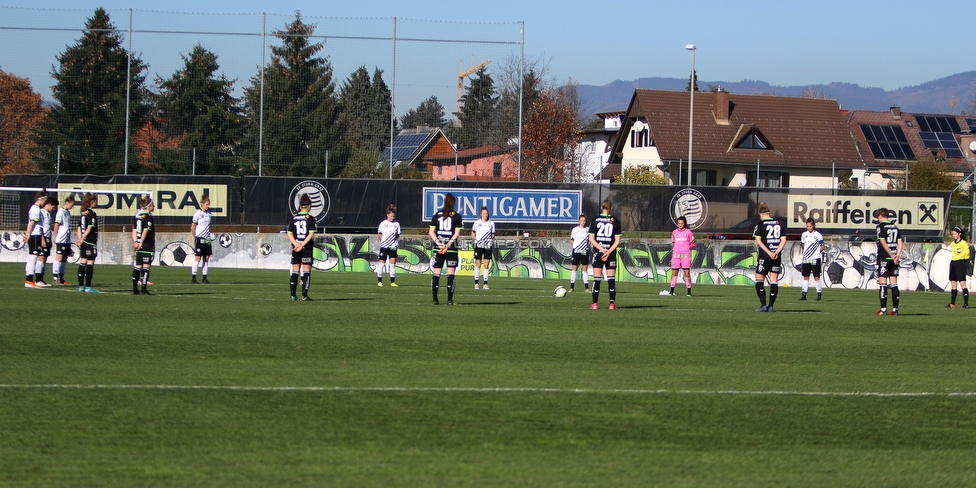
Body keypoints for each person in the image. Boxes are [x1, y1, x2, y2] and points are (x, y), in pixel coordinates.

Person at [429, 193, 462, 305]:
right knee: (450, 273)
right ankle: (449, 300)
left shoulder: (436, 215)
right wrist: (447, 245)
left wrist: (439, 244)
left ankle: (435, 299)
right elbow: (456, 234)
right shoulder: (457, 216)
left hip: (438, 249)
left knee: (436, 272)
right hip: (451, 248)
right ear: (453, 203)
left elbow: (431, 232)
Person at [589, 198, 621, 310]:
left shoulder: (595, 220)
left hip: (598, 252)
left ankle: (594, 304)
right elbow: (617, 241)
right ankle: (612, 304)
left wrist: (602, 250)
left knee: (597, 278)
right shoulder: (615, 221)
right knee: (611, 279)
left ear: (601, 207)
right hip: (610, 253)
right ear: (611, 208)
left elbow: (591, 239)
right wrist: (608, 251)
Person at [753, 202, 786, 312]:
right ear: (769, 213)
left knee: (759, 280)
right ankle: (771, 306)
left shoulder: (760, 224)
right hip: (776, 256)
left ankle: (763, 305)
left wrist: (768, 252)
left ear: (761, 215)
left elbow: (758, 241)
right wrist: (775, 252)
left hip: (764, 256)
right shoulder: (779, 224)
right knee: (774, 280)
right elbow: (783, 240)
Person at [875, 208, 904, 316]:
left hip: (884, 257)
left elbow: (882, 242)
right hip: (894, 260)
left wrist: (891, 255)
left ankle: (883, 309)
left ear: (880, 216)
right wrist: (897, 255)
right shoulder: (895, 227)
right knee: (894, 283)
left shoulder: (880, 227)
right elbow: (900, 243)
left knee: (883, 283)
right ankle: (895, 309)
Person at [288, 194, 316, 301]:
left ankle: (293, 295)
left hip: (295, 248)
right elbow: (310, 234)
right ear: (309, 206)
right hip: (306, 248)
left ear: (300, 206)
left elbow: (289, 233)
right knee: (306, 271)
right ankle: (304, 295)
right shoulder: (311, 219)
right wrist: (302, 245)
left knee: (295, 271)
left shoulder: (293, 218)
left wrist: (296, 244)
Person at [76, 192, 99, 293]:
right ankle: (88, 287)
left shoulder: (83, 213)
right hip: (89, 241)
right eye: (95, 202)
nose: (96, 204)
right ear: (92, 202)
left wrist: (80, 239)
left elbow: (78, 228)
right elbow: (89, 227)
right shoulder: (92, 213)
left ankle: (81, 286)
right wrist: (84, 238)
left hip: (83, 242)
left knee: (82, 262)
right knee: (90, 263)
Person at [132, 195, 156, 295]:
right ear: (149, 206)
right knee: (146, 267)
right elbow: (146, 230)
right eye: (153, 205)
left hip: (137, 245)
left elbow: (133, 230)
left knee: (137, 266)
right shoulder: (148, 217)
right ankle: (143, 288)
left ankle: (134, 289)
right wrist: (141, 242)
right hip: (146, 244)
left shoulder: (137, 216)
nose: (154, 207)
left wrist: (135, 242)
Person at [24, 191, 47, 288]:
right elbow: (32, 223)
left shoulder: (35, 208)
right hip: (35, 235)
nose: (45, 202)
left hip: (34, 235)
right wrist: (28, 234)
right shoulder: (36, 209)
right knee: (33, 257)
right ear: (40, 199)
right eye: (45, 200)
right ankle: (29, 281)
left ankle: (29, 280)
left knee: (32, 257)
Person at [798, 217, 825, 301]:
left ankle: (819, 295)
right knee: (806, 276)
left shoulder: (818, 235)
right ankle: (804, 295)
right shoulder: (804, 235)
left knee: (816, 276)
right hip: (806, 258)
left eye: (810, 226)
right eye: (807, 226)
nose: (809, 228)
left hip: (815, 258)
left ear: (813, 226)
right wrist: (807, 252)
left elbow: (822, 246)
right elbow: (802, 244)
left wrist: (815, 253)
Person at [668, 216, 695, 296]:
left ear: (684, 223)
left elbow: (693, 243)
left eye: (682, 223)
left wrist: (687, 248)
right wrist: (676, 248)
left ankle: (689, 291)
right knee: (674, 273)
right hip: (676, 255)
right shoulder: (674, 232)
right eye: (679, 223)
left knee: (687, 273)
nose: (680, 225)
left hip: (685, 255)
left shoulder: (689, 232)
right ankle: (671, 291)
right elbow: (673, 242)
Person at [52, 195, 75, 285]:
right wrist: (55, 236)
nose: (72, 207)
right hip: (61, 238)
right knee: (59, 257)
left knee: (64, 258)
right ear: (67, 202)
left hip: (67, 239)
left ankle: (61, 278)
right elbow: (56, 224)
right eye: (72, 205)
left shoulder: (67, 212)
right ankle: (55, 278)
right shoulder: (60, 212)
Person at [376, 204, 401, 287]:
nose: (392, 218)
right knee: (381, 263)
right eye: (391, 216)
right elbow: (379, 234)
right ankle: (379, 281)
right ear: (387, 215)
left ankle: (392, 281)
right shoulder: (383, 224)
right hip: (384, 246)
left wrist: (392, 242)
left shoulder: (396, 224)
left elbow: (397, 235)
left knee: (392, 264)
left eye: (393, 216)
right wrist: (384, 241)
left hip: (393, 246)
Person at [190, 194, 213, 284]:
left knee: (206, 258)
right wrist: (195, 236)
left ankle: (204, 278)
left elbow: (208, 226)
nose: (208, 206)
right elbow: (192, 226)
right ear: (202, 204)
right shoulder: (198, 214)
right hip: (200, 238)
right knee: (198, 258)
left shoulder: (209, 214)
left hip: (207, 239)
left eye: (209, 204)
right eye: (207, 204)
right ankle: (194, 278)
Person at [471, 206, 495, 290]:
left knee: (486, 265)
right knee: (478, 264)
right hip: (479, 246)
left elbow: (493, 234)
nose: (485, 215)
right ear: (481, 214)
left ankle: (485, 284)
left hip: (487, 246)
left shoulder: (491, 223)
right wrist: (476, 241)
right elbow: (473, 234)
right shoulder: (477, 223)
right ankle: (476, 283)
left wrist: (489, 240)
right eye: (484, 213)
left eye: (486, 213)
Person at [946, 225, 969, 309]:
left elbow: (967, 254)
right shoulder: (952, 244)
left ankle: (966, 303)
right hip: (953, 263)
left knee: (962, 283)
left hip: (960, 263)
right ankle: (952, 303)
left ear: (959, 234)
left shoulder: (964, 243)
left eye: (955, 234)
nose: (953, 235)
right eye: (953, 234)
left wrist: (961, 257)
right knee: (953, 283)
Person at [35, 197, 56, 287]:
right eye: (53, 207)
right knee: (41, 258)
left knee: (44, 259)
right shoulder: (42, 213)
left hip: (48, 238)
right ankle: (38, 279)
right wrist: (42, 238)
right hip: (43, 237)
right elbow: (40, 227)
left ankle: (41, 279)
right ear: (49, 204)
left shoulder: (48, 214)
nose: (53, 209)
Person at [569, 214, 590, 292]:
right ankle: (571, 287)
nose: (583, 222)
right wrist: (575, 247)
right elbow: (572, 239)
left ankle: (586, 288)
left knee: (585, 269)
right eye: (581, 221)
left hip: (584, 251)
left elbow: (590, 240)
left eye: (584, 221)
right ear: (579, 221)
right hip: (576, 251)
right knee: (574, 269)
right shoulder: (575, 229)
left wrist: (586, 246)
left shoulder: (588, 229)